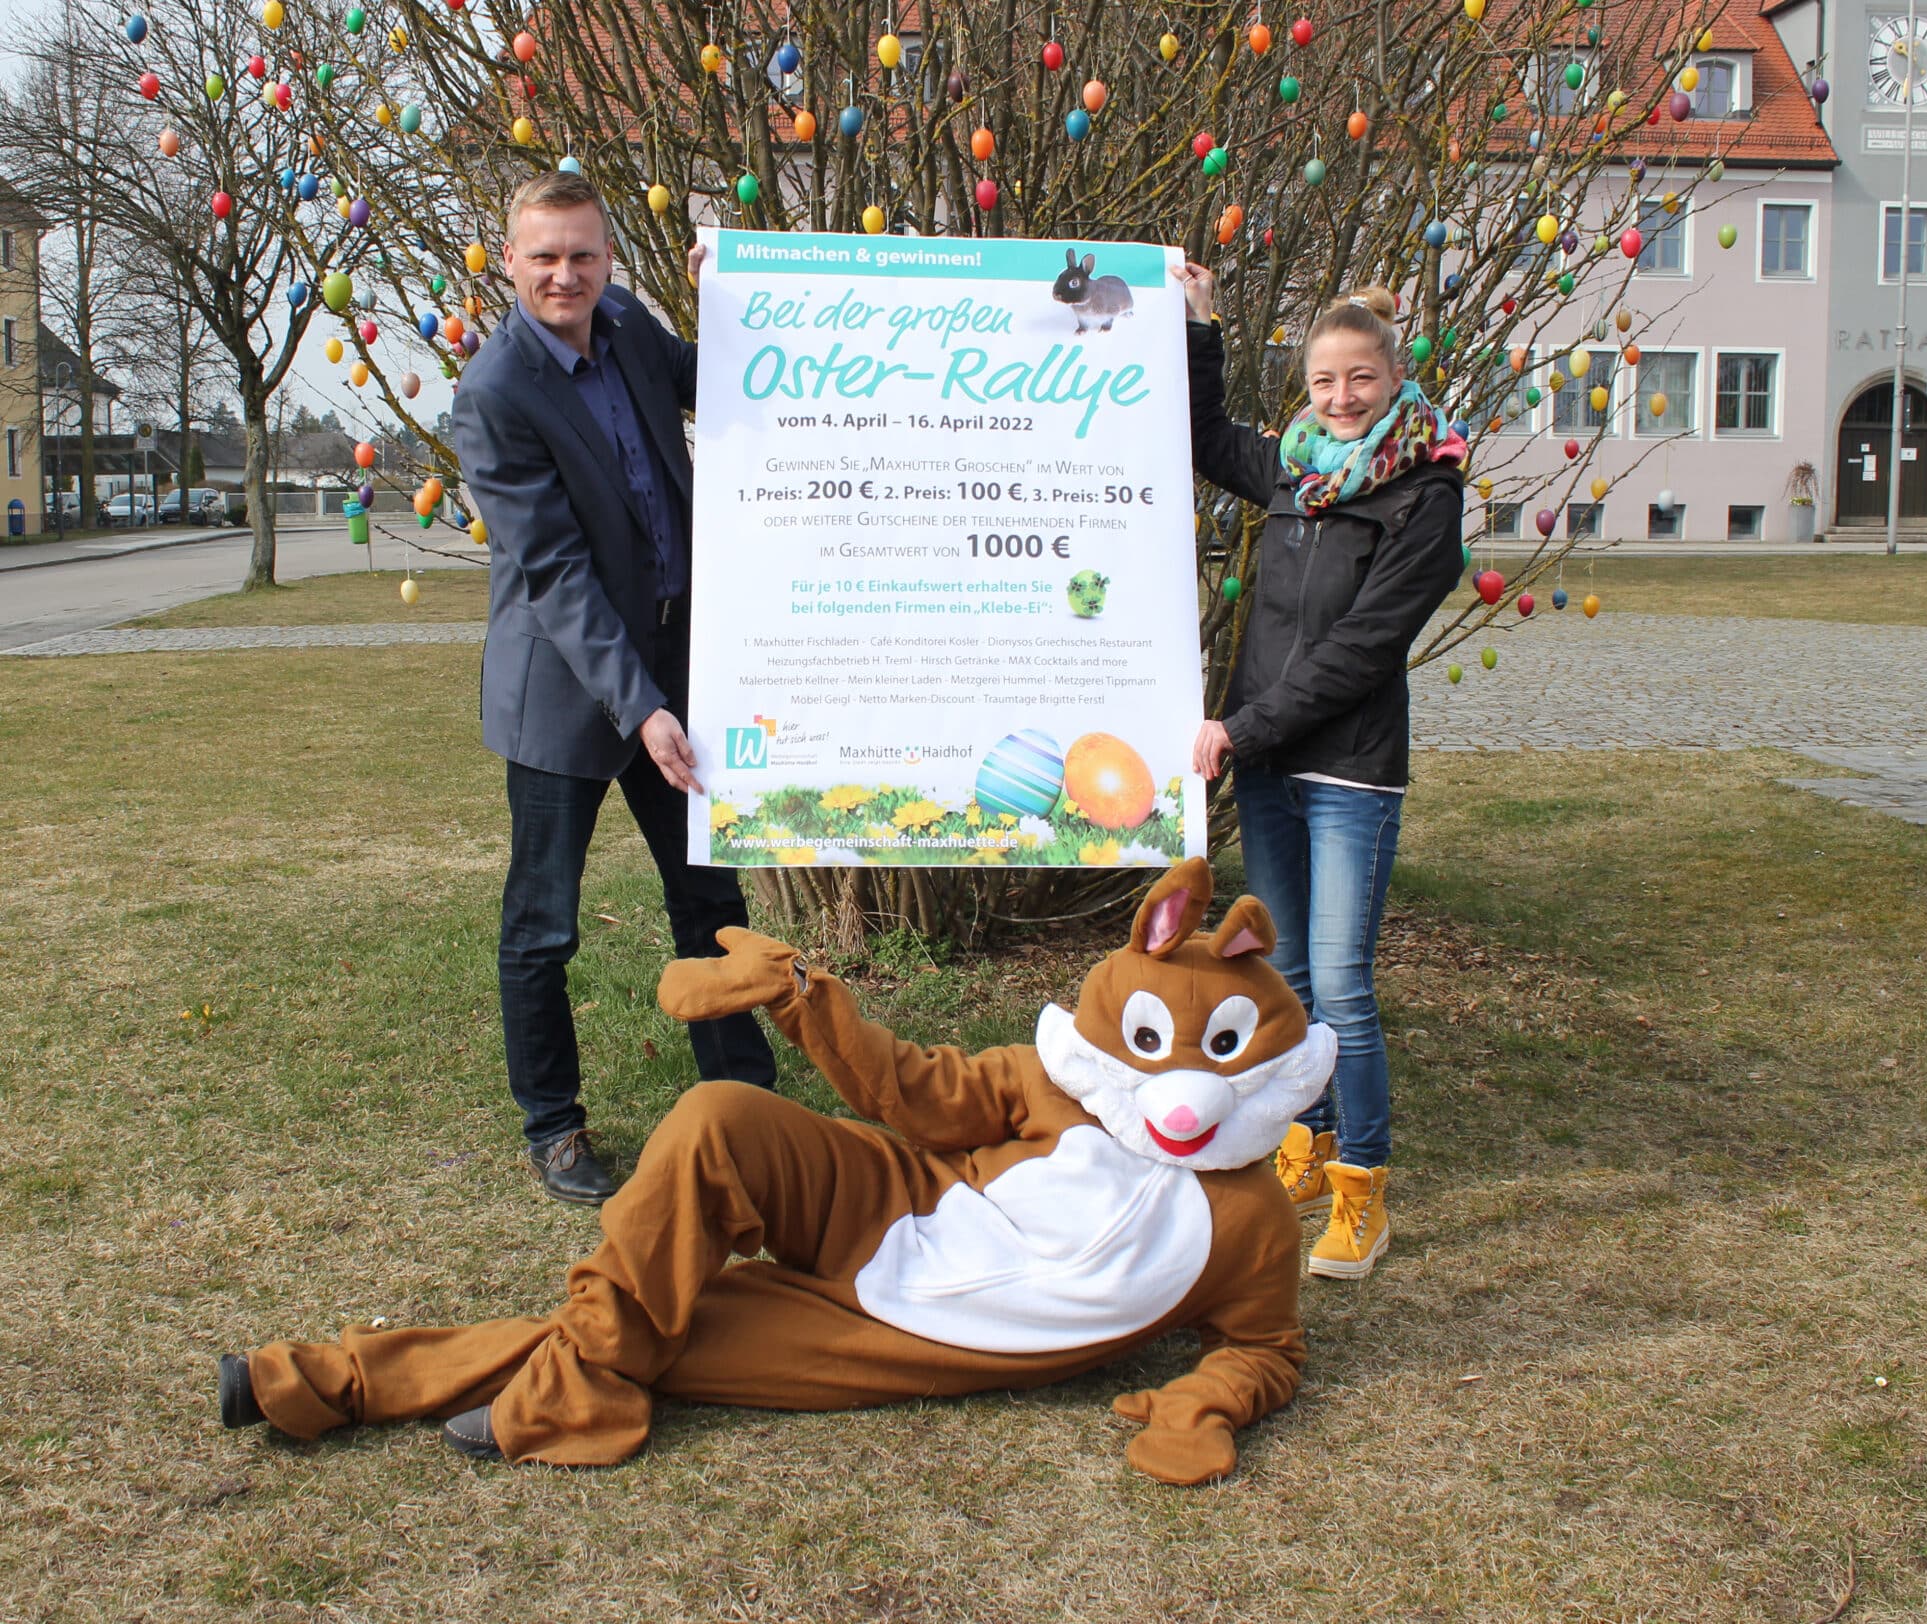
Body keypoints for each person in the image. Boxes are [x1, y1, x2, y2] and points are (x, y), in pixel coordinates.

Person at [219, 861, 1325, 1487]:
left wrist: (1205, 1400)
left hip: (916, 1333)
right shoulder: (1054, 1077)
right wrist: (800, 991)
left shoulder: (1253, 1222)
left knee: (655, 1327)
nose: (1183, 1089)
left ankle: (338, 1378)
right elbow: (909, 1086)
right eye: (1157, 1045)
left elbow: (1265, 1347)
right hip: (900, 1204)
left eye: (1220, 1054)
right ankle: (576, 1388)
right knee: (715, 1114)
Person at [451, 170, 775, 1205]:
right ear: (508, 261)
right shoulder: (495, 394)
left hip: (678, 660)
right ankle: (552, 1125)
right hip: (567, 692)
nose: (564, 274)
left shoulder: (627, 322)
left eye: (583, 254)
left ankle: (744, 1105)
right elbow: (553, 573)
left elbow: (721, 378)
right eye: (543, 256)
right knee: (541, 921)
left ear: (607, 258)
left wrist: (727, 295)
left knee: (708, 894)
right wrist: (640, 706)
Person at [1172, 265, 1466, 1280]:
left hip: (1345, 769)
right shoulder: (1296, 473)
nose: (1341, 399)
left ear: (1394, 378)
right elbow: (1207, 441)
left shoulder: (1423, 494)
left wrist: (1242, 726)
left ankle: (1364, 1195)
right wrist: (1201, 325)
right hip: (1267, 760)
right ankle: (1316, 1141)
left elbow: (1360, 652)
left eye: (1361, 380)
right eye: (1324, 382)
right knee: (1288, 974)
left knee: (1339, 983)